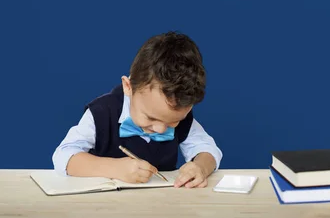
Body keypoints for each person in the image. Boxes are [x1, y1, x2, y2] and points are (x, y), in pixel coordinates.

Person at [53, 31, 222, 188]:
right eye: (149, 117)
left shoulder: (182, 119)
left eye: (173, 122)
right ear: (128, 87)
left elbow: (208, 150)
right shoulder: (102, 113)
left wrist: (200, 167)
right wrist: (114, 168)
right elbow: (62, 156)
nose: (160, 129)